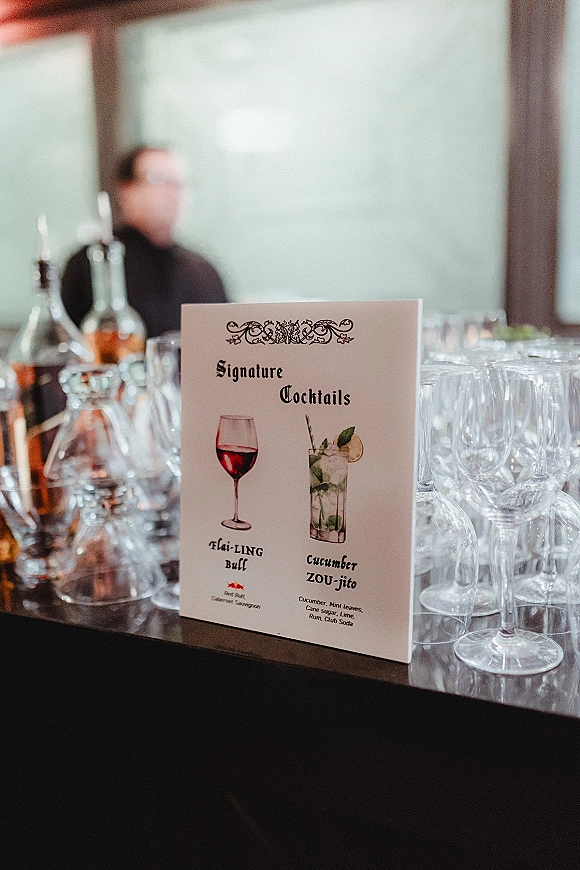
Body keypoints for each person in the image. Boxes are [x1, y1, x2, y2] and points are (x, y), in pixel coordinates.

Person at [61, 145, 228, 337]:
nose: (174, 193)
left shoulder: (203, 271)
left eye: (180, 182)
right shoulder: (93, 264)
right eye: (159, 180)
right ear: (126, 190)